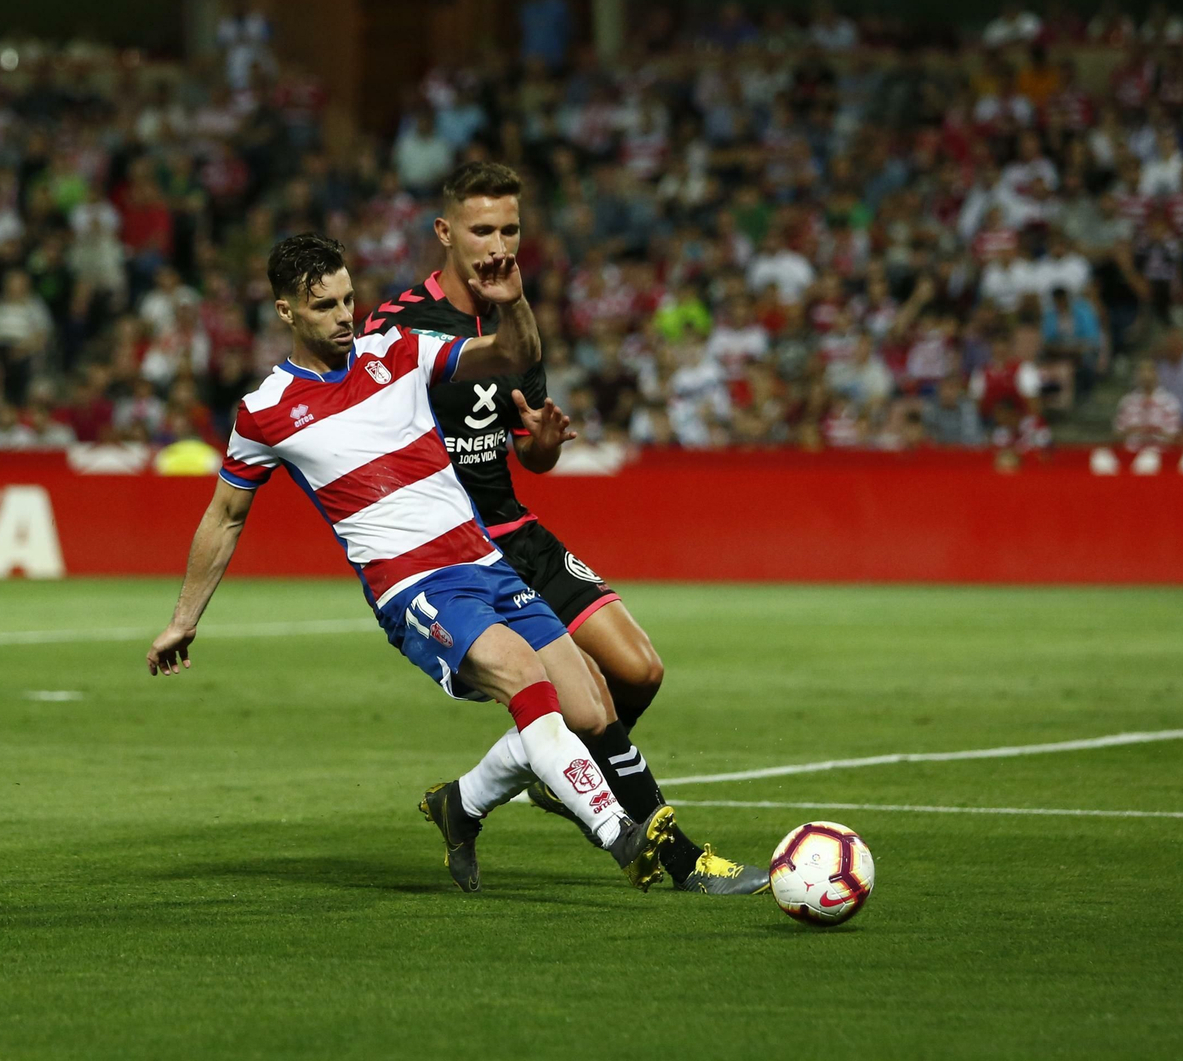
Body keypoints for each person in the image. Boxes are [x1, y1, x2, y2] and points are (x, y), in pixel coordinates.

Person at [145, 233, 676, 894]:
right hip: (415, 588)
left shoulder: (396, 350)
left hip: (487, 563)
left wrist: (514, 303)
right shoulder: (265, 412)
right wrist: (183, 619)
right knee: (525, 679)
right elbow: (225, 516)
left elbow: (510, 354)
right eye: (324, 306)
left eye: (348, 299)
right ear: (285, 312)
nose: (345, 316)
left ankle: (462, 804)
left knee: (589, 710)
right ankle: (619, 833)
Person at [359, 162, 768, 895]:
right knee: (589, 702)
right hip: (455, 548)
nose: (497, 246)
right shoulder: (397, 328)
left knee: (639, 670)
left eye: (510, 229)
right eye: (482, 230)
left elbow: (529, 453)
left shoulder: (516, 317)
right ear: (446, 232)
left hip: (515, 529)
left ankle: (498, 790)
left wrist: (544, 442)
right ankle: (681, 859)